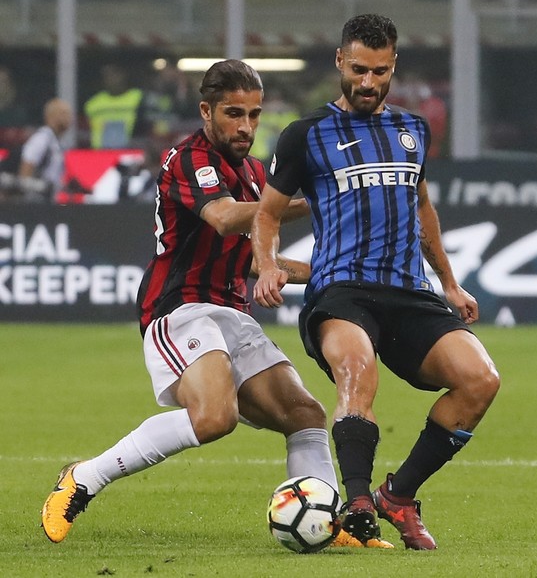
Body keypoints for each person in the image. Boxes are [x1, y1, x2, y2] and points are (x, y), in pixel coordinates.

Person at [40, 59, 390, 550]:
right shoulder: (187, 160)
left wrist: (328, 272)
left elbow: (250, 259)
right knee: (213, 417)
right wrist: (319, 198)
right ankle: (83, 478)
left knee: (306, 415)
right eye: (234, 114)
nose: (246, 126)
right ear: (206, 111)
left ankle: (327, 523)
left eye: (254, 114)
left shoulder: (251, 172)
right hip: (180, 309)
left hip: (233, 314)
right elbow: (225, 219)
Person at [252, 14, 500, 550]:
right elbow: (267, 214)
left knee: (480, 380)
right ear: (340, 62)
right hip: (340, 292)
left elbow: (423, 207)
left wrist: (450, 285)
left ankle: (399, 495)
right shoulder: (305, 135)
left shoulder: (413, 129)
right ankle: (359, 499)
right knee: (357, 369)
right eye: (359, 70)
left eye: (380, 72)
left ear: (393, 67)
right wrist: (269, 263)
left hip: (409, 291)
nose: (369, 82)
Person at [15, 98, 73, 201]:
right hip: (37, 201)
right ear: (50, 117)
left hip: (50, 200)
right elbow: (25, 172)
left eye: (69, 114)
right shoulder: (42, 139)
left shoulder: (59, 143)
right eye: (63, 114)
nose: (68, 118)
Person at [83, 63, 143, 149]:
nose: (111, 78)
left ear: (123, 75)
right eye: (107, 75)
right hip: (98, 155)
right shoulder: (93, 104)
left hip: (131, 152)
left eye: (115, 74)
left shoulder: (138, 98)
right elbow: (85, 132)